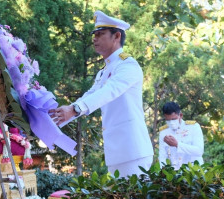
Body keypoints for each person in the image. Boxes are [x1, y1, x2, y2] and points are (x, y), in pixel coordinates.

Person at [49, 10, 153, 178]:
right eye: (94, 35)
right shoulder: (104, 72)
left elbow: (109, 91)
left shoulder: (128, 65)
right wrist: (64, 114)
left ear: (116, 36)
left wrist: (75, 109)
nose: (95, 39)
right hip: (117, 151)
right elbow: (89, 96)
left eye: (100, 34)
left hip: (133, 150)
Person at [159, 101, 204, 170]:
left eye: (173, 119)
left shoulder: (193, 127)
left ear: (180, 115)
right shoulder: (163, 132)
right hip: (175, 174)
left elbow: (199, 151)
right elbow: (162, 156)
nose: (171, 122)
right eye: (168, 120)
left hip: (194, 172)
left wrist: (177, 145)